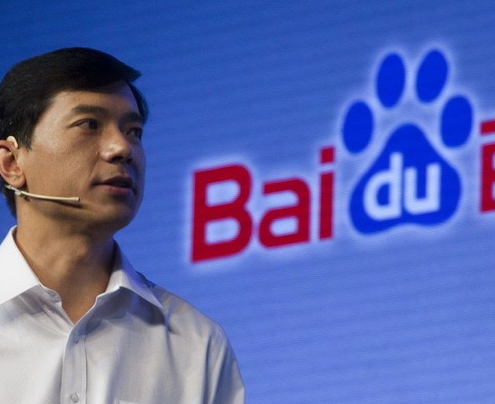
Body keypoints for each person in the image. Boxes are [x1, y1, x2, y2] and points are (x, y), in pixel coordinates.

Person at [0, 47, 245, 403]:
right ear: (11, 163)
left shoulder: (195, 344)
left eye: (133, 131)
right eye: (89, 125)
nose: (121, 148)